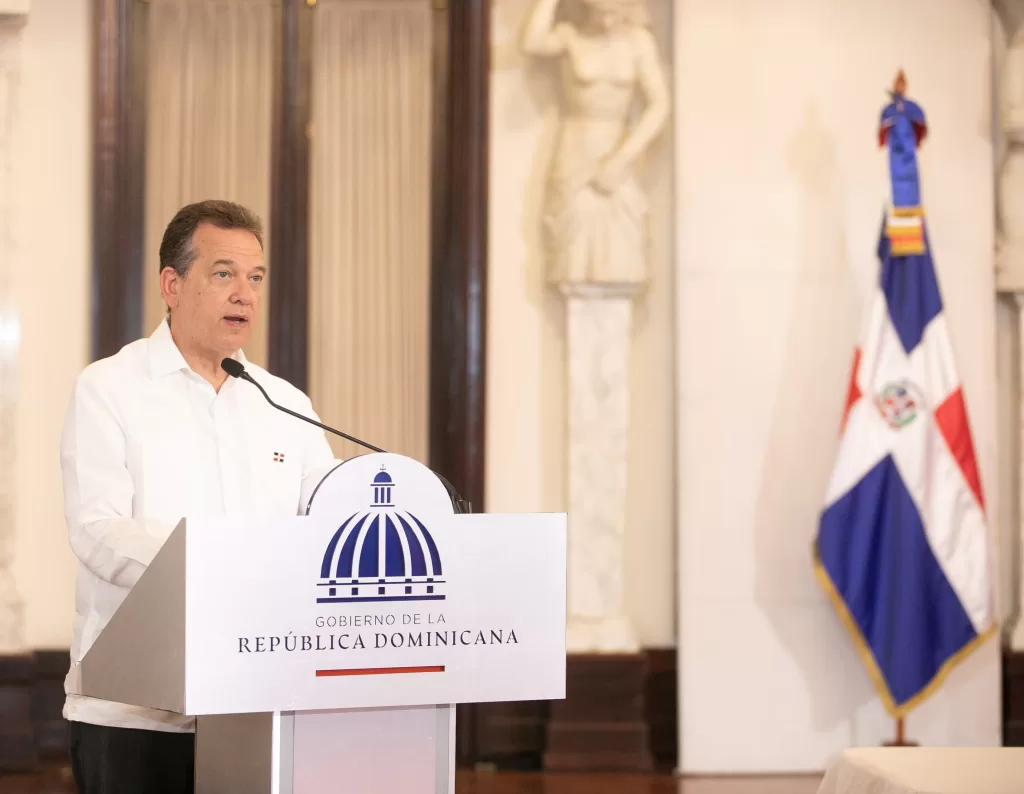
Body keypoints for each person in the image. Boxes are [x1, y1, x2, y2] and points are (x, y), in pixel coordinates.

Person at [60, 200, 339, 794]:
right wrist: (214, 570)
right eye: (223, 273)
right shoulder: (109, 387)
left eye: (255, 278)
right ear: (172, 285)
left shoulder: (282, 402)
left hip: (254, 699)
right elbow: (97, 528)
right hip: (135, 707)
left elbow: (328, 515)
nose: (244, 294)